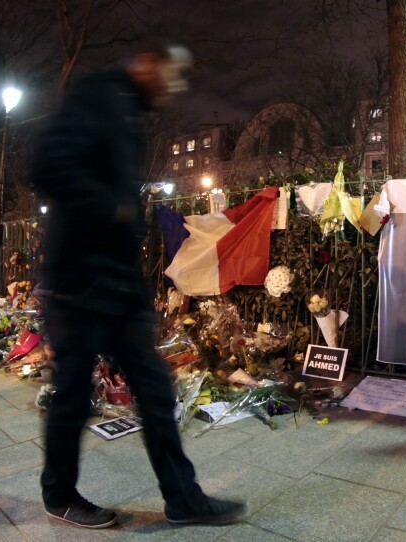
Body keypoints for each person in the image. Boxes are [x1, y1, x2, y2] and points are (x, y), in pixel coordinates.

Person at [29, 38, 246, 529]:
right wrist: (115, 208)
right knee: (73, 393)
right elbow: (46, 166)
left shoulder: (131, 112)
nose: (176, 86)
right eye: (173, 74)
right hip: (77, 279)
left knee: (154, 388)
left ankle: (184, 498)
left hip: (117, 284)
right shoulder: (97, 95)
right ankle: (59, 494)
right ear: (148, 64)